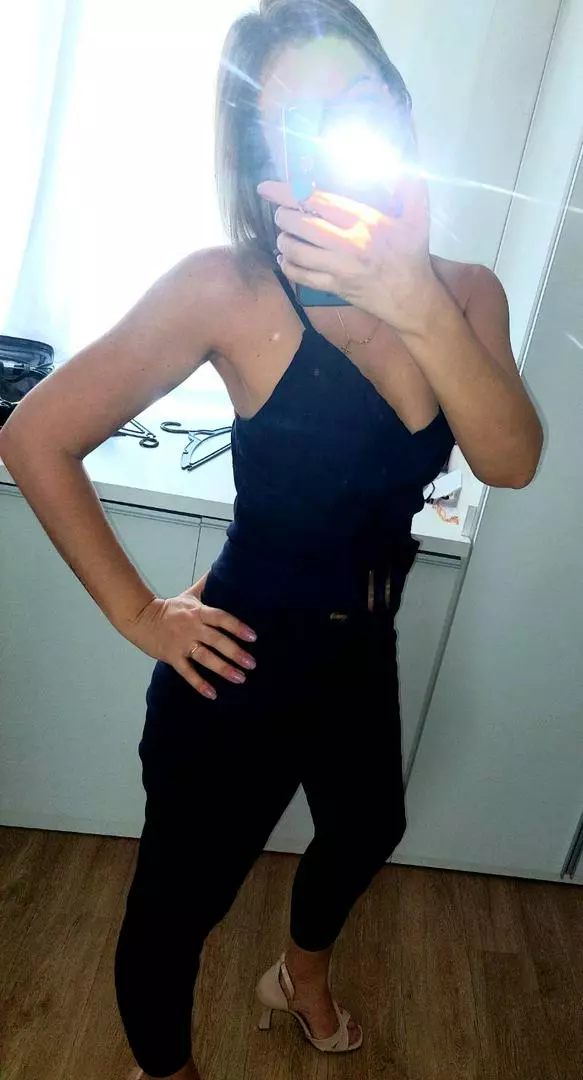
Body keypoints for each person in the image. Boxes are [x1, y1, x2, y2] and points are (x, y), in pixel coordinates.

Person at [0, 2, 544, 1078]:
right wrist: (140, 613)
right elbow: (34, 435)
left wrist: (414, 299)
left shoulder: (466, 294)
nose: (333, 137)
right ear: (261, 159)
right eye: (296, 122)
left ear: (395, 111)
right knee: (177, 907)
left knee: (367, 829)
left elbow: (510, 459)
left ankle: (298, 973)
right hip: (237, 661)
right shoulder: (227, 288)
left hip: (362, 652)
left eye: (355, 104)